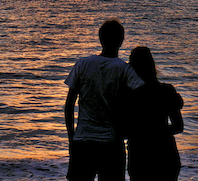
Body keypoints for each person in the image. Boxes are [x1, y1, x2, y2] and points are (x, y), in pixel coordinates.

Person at [64, 19, 144, 181]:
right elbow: (141, 99)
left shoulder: (82, 64)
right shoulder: (124, 69)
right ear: (121, 41)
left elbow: (69, 105)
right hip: (111, 143)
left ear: (100, 39)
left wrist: (71, 137)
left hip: (83, 140)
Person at [126, 46, 184, 181]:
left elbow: (124, 129)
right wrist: (158, 132)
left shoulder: (129, 94)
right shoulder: (166, 91)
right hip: (165, 152)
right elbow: (178, 126)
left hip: (139, 154)